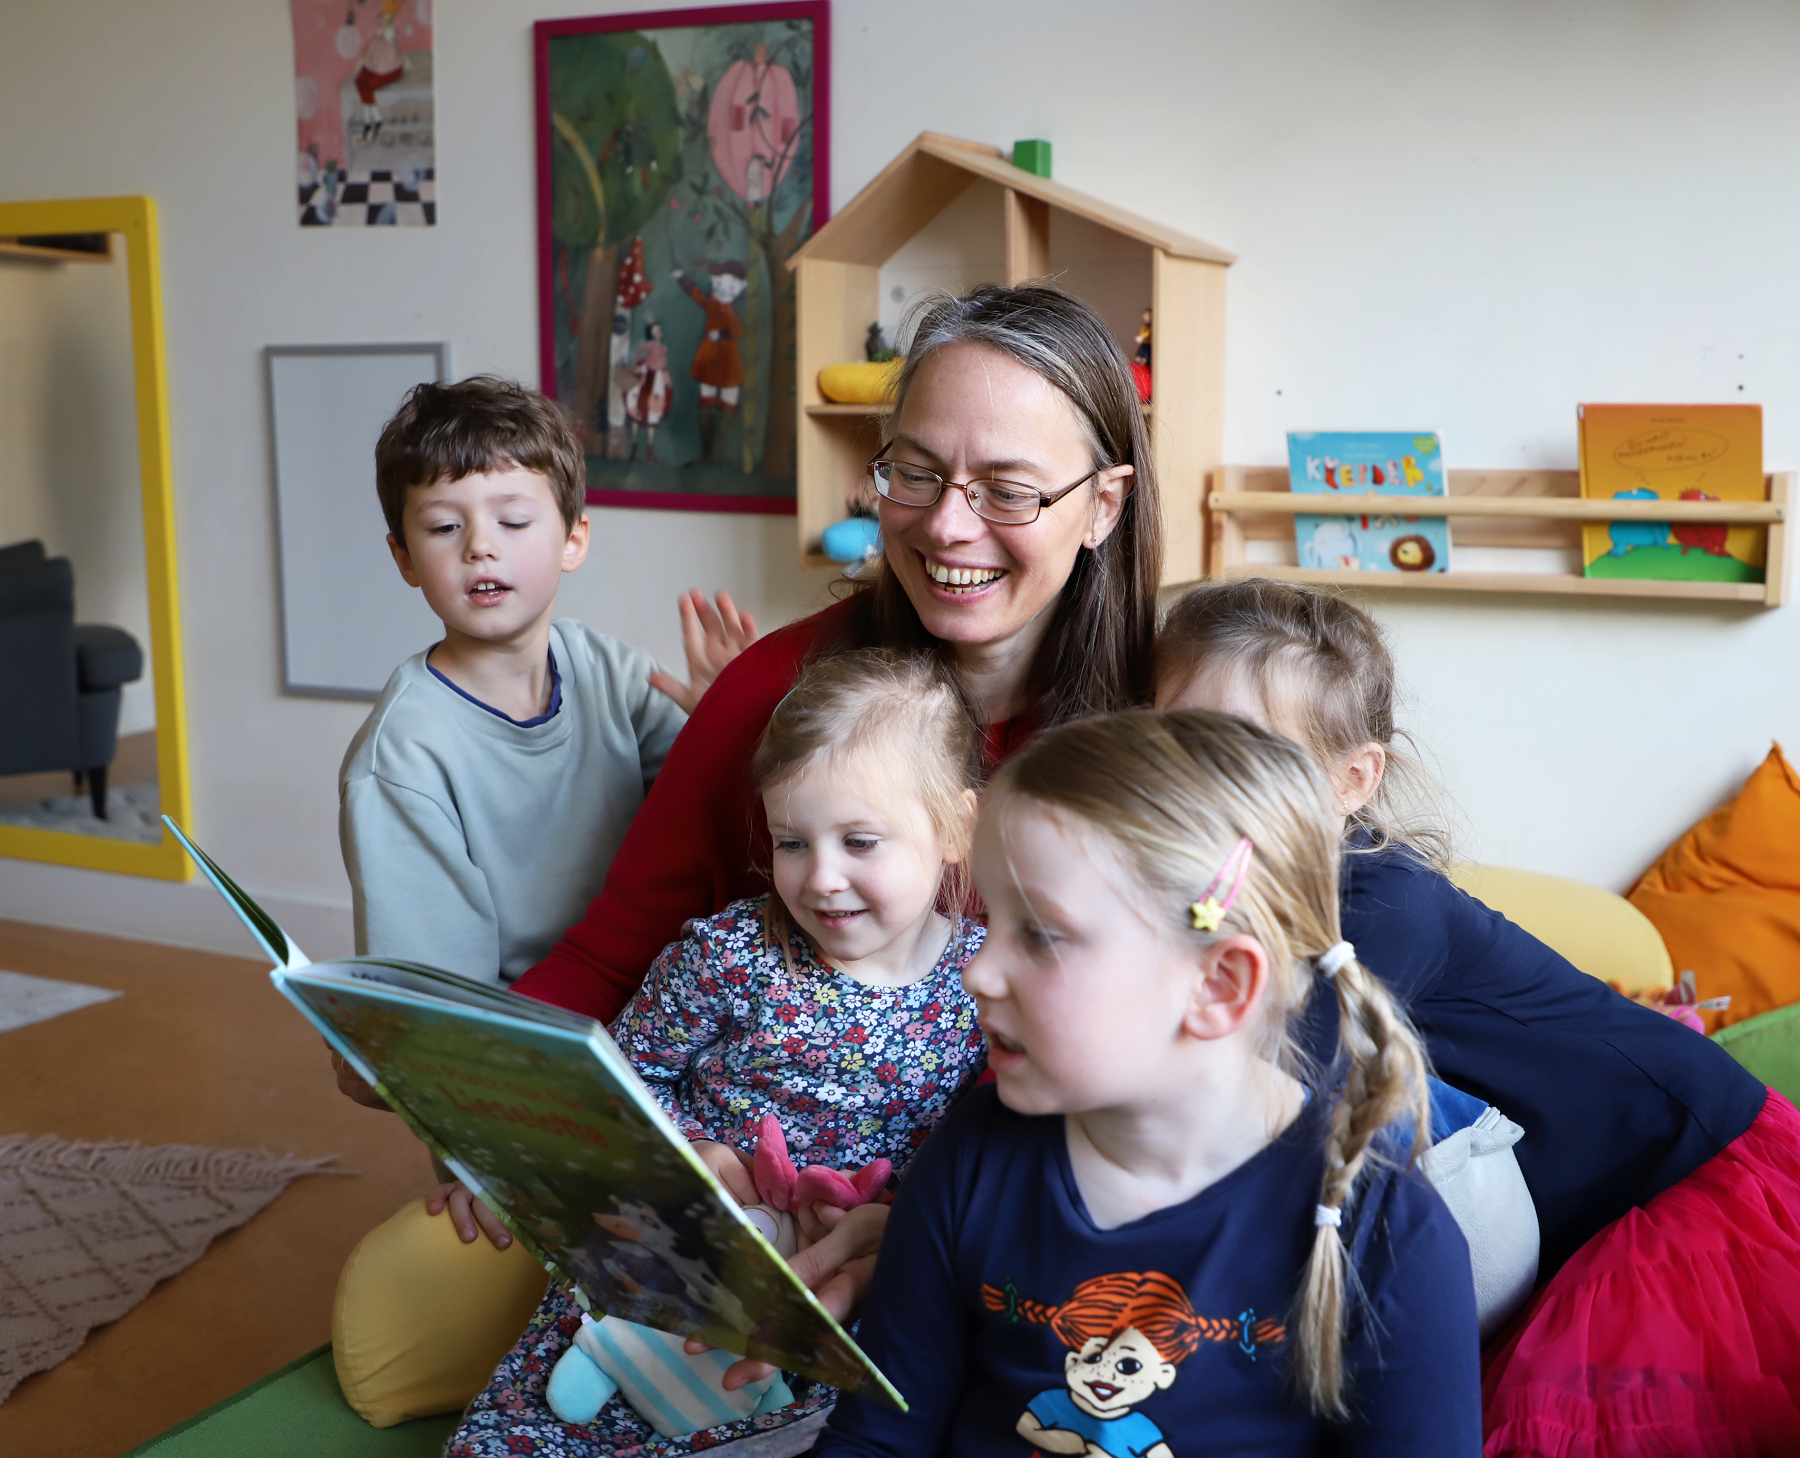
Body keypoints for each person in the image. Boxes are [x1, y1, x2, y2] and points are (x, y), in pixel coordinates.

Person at [1157, 576, 1800, 1453]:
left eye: (1245, 751)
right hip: (1577, 1201)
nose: (1198, 780)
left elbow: (1247, 1083)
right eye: (1173, 739)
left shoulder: (1377, 898)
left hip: (1683, 1175)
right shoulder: (1241, 893)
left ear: (1352, 781)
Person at [817, 709, 1481, 1456]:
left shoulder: (1388, 1231)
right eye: (989, 921)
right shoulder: (970, 1155)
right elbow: (877, 1438)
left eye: (1038, 933)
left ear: (1217, 987)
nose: (978, 969)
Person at [453, 650, 988, 1455]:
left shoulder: (984, 983)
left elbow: (988, 1154)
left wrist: (902, 1221)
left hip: (848, 1292)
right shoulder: (732, 951)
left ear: (953, 829)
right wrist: (691, 1149)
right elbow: (626, 1074)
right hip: (683, 1260)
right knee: (547, 1428)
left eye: (861, 842)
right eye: (793, 842)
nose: (822, 878)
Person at [338, 375, 686, 995]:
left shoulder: (615, 672)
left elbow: (714, 819)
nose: (480, 548)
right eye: (445, 528)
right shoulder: (402, 759)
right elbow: (444, 1000)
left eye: (514, 521)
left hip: (664, 993)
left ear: (572, 540)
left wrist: (735, 721)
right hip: (535, 1024)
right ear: (405, 559)